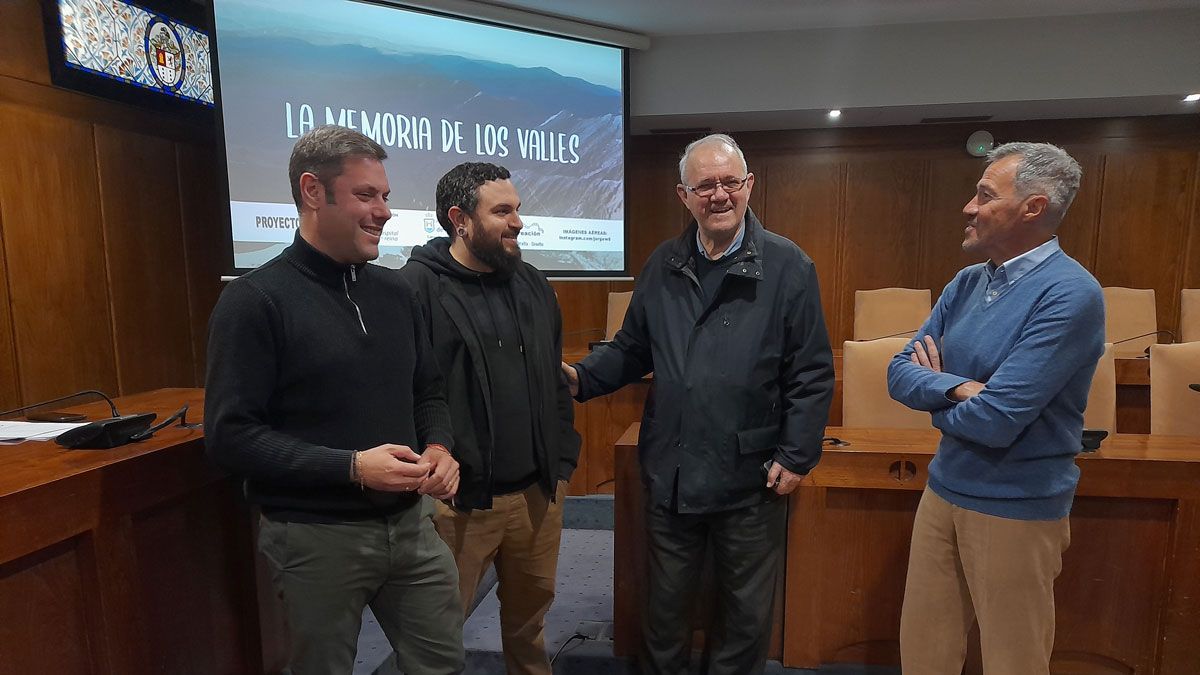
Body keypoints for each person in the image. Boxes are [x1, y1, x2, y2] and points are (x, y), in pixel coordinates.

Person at [562, 133, 834, 675]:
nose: (718, 195)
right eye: (704, 185)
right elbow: (632, 348)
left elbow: (811, 371)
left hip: (752, 475)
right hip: (673, 471)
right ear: (683, 195)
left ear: (749, 186)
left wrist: (798, 454)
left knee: (744, 617)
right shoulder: (664, 263)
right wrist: (578, 378)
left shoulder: (788, 266)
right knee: (662, 613)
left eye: (729, 182)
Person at [204, 125, 464, 674]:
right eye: (365, 196)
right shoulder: (254, 301)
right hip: (314, 538)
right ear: (312, 192)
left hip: (412, 528)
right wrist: (351, 467)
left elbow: (429, 390)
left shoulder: (397, 292)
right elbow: (230, 436)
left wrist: (440, 445)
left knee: (443, 666)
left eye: (385, 196)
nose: (384, 211)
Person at [887, 142, 1104, 675]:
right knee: (924, 653)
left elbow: (997, 420)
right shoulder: (967, 282)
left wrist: (936, 388)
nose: (969, 207)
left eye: (985, 195)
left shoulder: (1071, 294)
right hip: (944, 490)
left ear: (1032, 207)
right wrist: (961, 389)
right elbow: (898, 372)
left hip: (1016, 507)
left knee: (1014, 660)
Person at [399, 162, 580, 675]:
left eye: (517, 208)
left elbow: (554, 380)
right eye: (502, 211)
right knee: (436, 635)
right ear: (459, 219)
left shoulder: (534, 285)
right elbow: (406, 394)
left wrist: (562, 466)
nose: (517, 221)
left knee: (530, 625)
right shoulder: (415, 289)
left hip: (537, 498)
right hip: (457, 507)